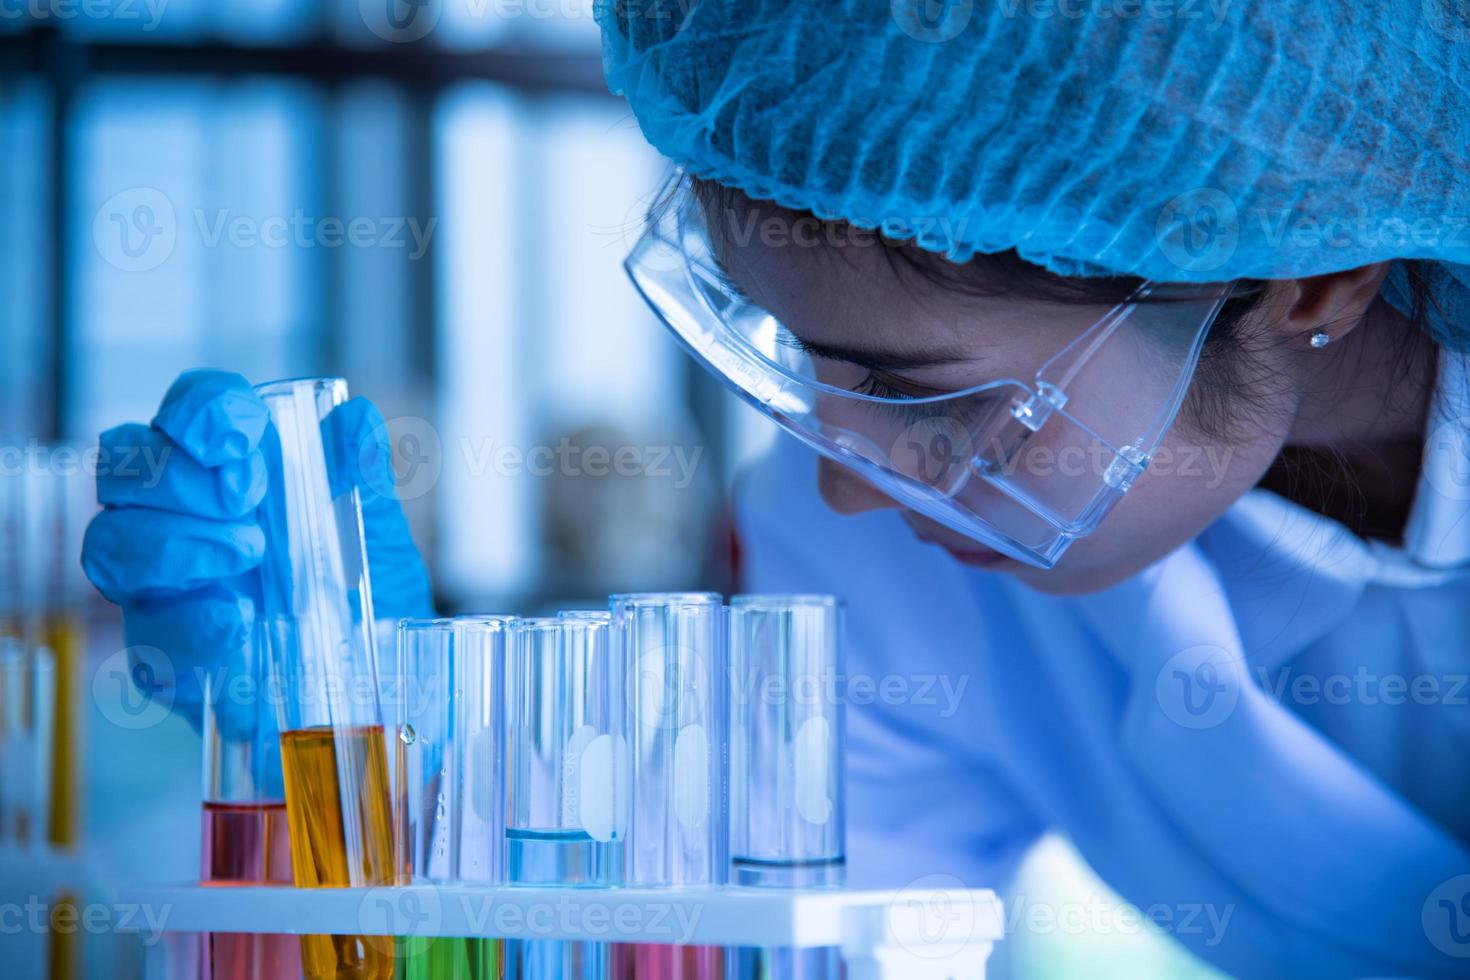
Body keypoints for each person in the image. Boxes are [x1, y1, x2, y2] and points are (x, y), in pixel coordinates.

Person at [80, 1, 1469, 976]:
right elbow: (792, 937)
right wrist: (409, 776)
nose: (854, 485)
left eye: (922, 391)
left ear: (1304, 279)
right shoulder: (873, 545)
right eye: (808, 369)